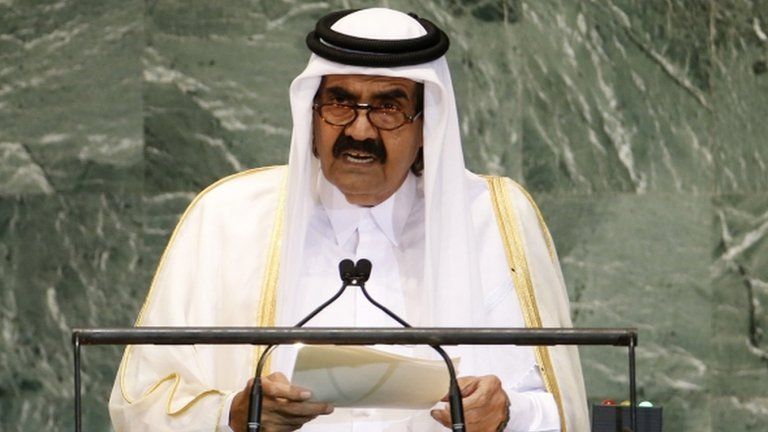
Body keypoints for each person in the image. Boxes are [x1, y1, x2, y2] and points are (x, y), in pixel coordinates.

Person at [109, 8, 589, 432]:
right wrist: (235, 416)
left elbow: (563, 411)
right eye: (340, 101)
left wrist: (507, 415)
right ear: (312, 114)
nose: (360, 130)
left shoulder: (496, 218)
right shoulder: (228, 217)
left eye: (388, 107)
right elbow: (142, 400)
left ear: (427, 124)